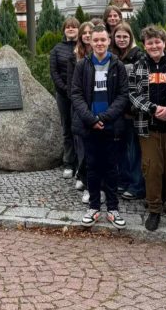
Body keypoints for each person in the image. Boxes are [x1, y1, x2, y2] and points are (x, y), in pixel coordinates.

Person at [70, 24, 129, 229]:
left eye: (103, 40)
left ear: (109, 41)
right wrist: (91, 119)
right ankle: (94, 207)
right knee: (92, 168)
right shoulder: (83, 65)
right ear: (90, 42)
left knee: (112, 168)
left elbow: (123, 95)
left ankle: (113, 208)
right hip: (89, 126)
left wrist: (104, 117)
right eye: (96, 40)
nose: (99, 43)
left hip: (111, 126)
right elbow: (76, 94)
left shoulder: (117, 65)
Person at [128, 25, 166, 232]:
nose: (154, 45)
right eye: (149, 42)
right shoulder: (138, 66)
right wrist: (152, 108)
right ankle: (154, 209)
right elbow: (132, 94)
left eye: (157, 42)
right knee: (152, 169)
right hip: (148, 126)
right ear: (144, 45)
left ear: (164, 42)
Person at [111, 22, 145, 201]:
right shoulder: (113, 55)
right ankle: (123, 181)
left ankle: (136, 185)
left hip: (132, 111)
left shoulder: (138, 55)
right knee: (122, 150)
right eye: (118, 36)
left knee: (134, 151)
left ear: (130, 37)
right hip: (117, 111)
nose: (122, 39)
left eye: (125, 36)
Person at [49, 17, 80, 179]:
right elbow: (54, 72)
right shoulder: (57, 49)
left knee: (79, 130)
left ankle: (80, 164)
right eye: (68, 27)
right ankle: (68, 162)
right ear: (64, 30)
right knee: (67, 128)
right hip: (63, 95)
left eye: (74, 27)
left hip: (81, 96)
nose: (71, 29)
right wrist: (65, 89)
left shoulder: (82, 48)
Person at [71, 21, 94, 201]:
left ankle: (92, 182)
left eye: (90, 32)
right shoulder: (76, 54)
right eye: (84, 33)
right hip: (79, 104)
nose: (87, 35)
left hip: (98, 106)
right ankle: (82, 175)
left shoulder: (101, 54)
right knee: (81, 144)